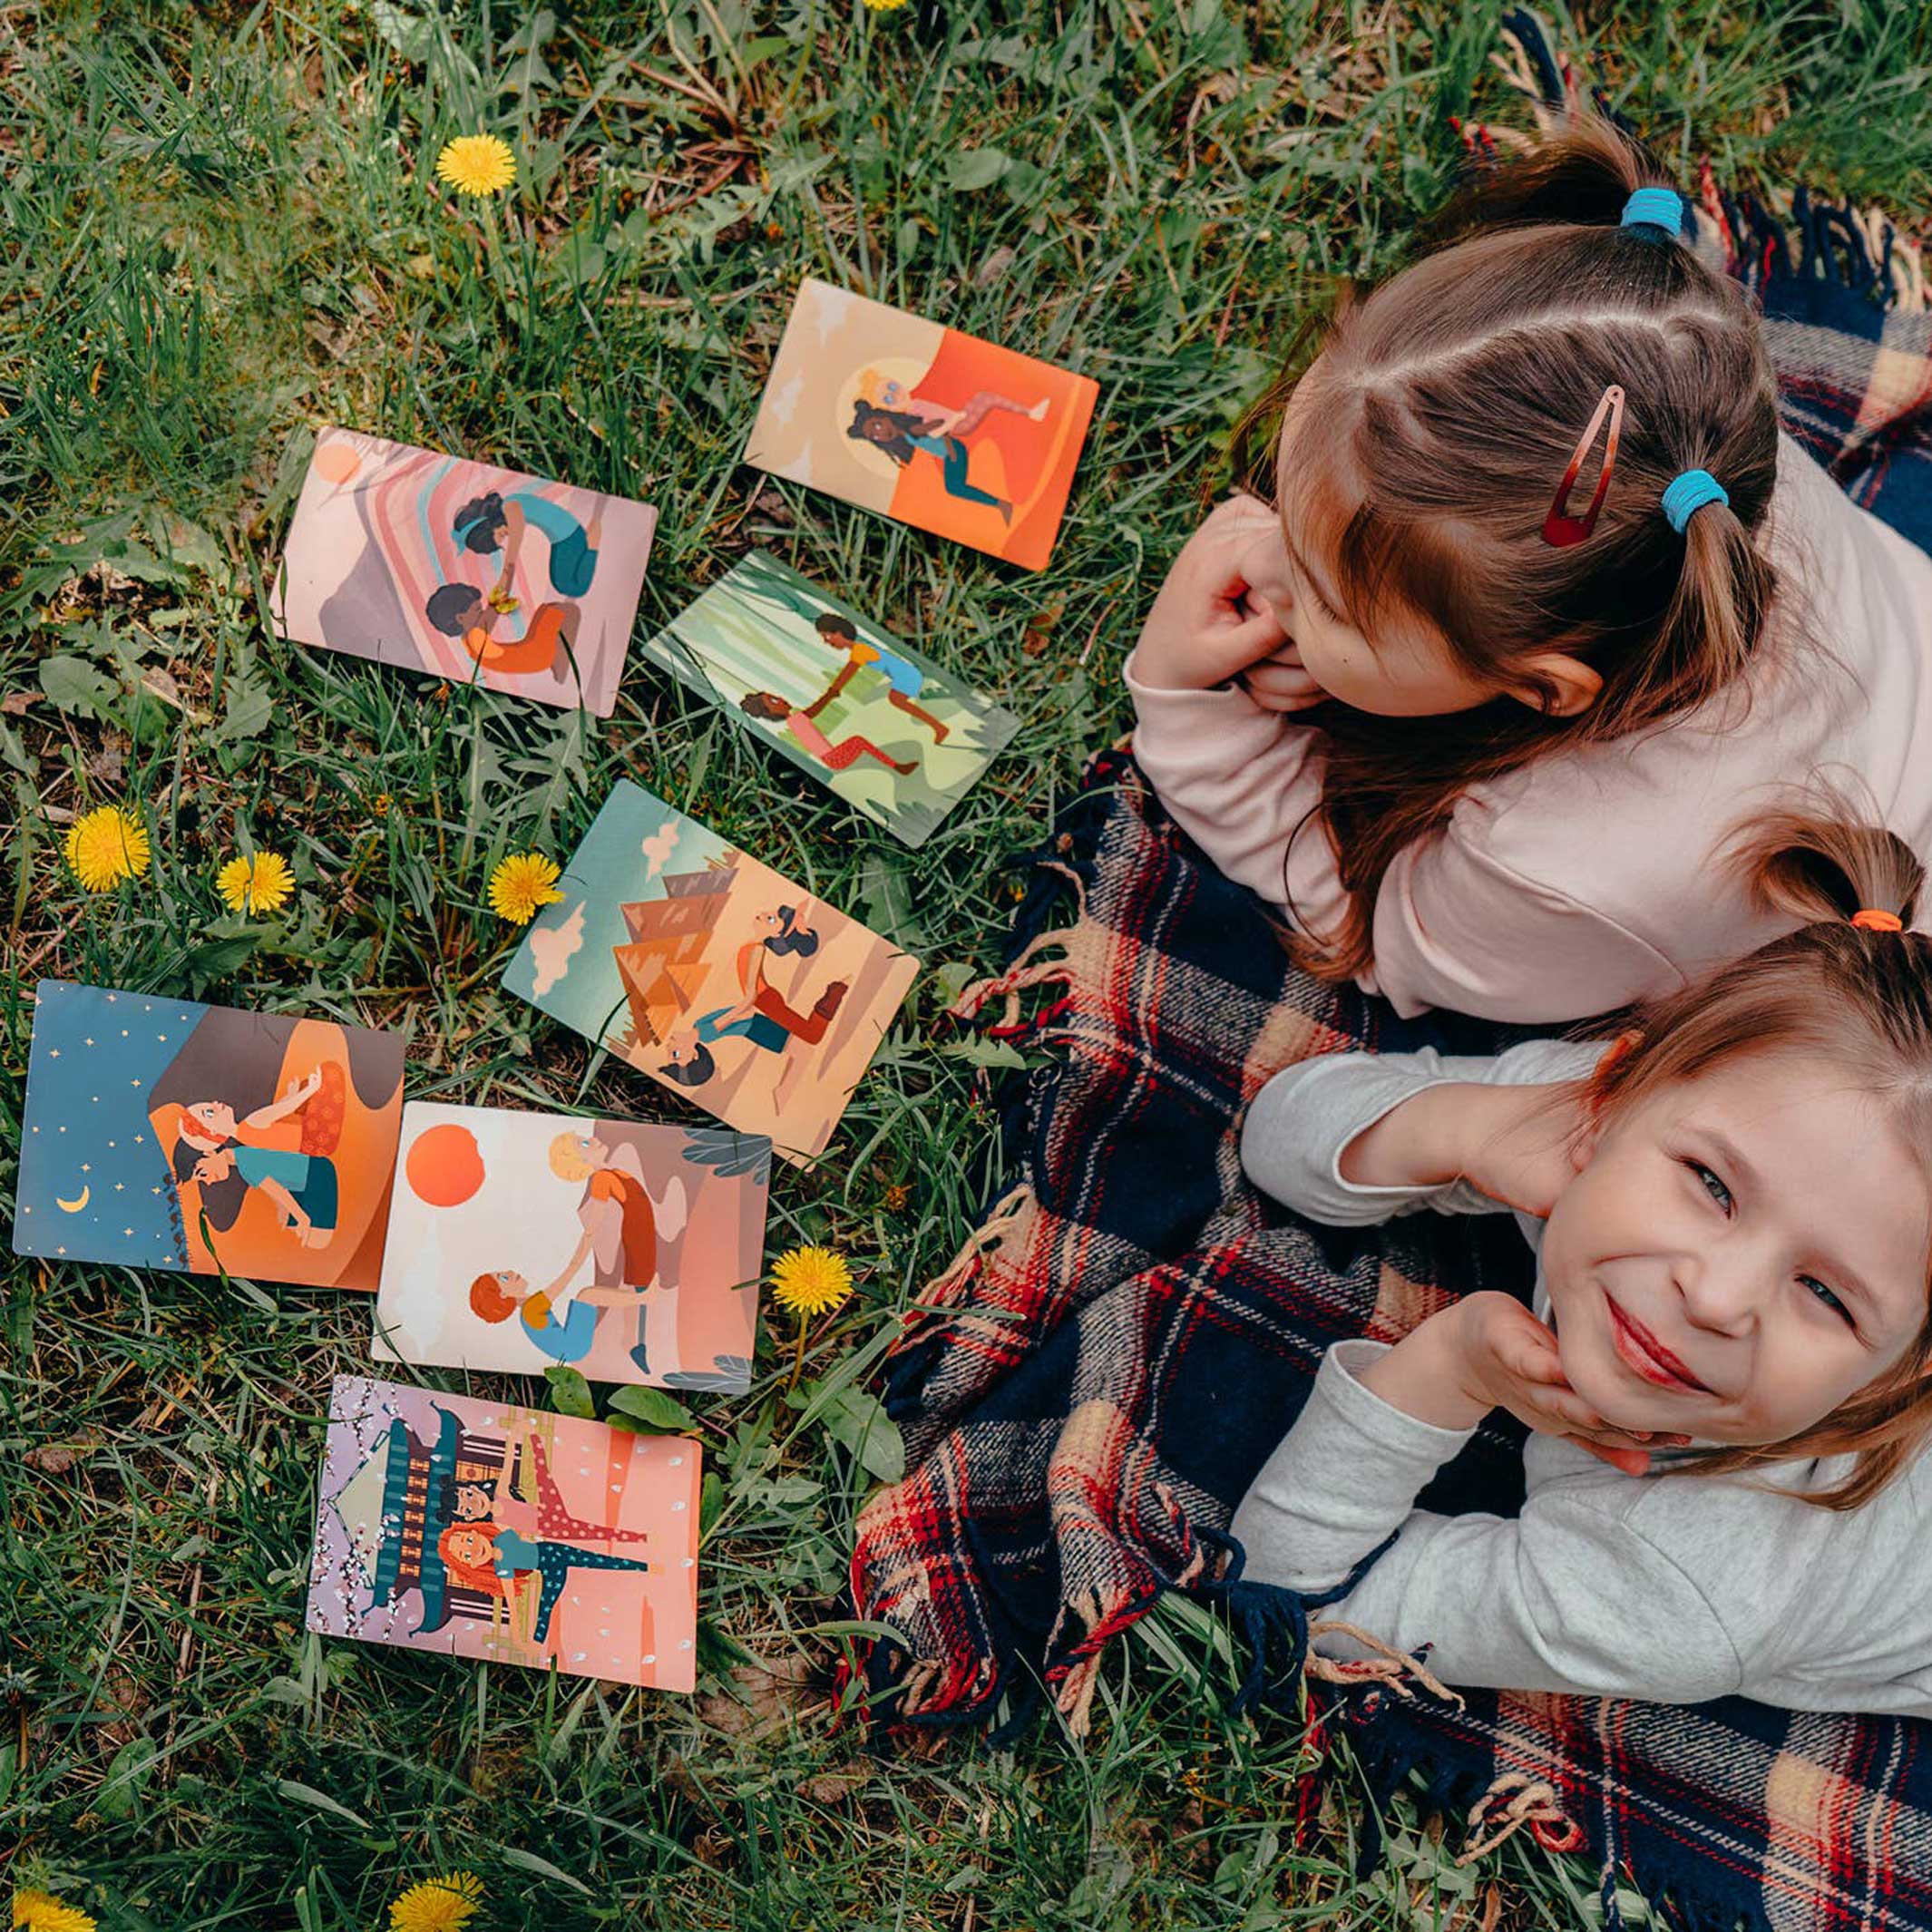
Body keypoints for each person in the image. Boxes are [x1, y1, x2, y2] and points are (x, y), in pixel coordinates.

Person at [1126, 117, 1932, 1023]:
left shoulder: (1557, 872)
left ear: (1545, 689)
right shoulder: (1685, 451)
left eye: (1329, 604)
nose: (1261, 566)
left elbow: (1374, 932)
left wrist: (1188, 709)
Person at [1230, 805, 1932, 1712]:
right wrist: (1465, 1126)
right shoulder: (1619, 1121)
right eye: (1713, 1188)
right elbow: (1281, 1138)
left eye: (1826, 1294)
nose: (1716, 1296)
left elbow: (1292, 1606)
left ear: (1900, 1372)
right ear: (1608, 1098)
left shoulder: (1684, 1591)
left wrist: (1451, 1365)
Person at [845, 388, 1049, 525]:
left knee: (955, 487)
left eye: (877, 425)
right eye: (874, 435)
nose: (879, 433)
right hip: (948, 454)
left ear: (884, 417)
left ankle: (1003, 505)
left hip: (954, 451)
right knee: (954, 488)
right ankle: (1002, 505)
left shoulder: (911, 429)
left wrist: (946, 433)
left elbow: (933, 428)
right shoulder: (906, 436)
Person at [805, 610, 950, 743]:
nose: (826, 641)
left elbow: (848, 672)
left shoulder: (860, 650)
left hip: (907, 675)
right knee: (896, 699)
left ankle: (939, 727)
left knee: (896, 699)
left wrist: (832, 691)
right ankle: (938, 726)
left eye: (827, 636)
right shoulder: (859, 648)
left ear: (839, 632)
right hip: (904, 675)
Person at [450, 488, 603, 599]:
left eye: (500, 534)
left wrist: (505, 579)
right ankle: (590, 541)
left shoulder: (510, 506)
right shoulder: (509, 506)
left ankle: (593, 543)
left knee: (573, 587)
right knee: (563, 585)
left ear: (488, 524)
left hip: (569, 535)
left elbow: (516, 538)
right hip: (561, 536)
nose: (506, 535)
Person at [424, 582, 582, 680]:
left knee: (548, 609)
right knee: (567, 611)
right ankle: (562, 668)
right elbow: (490, 615)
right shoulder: (475, 638)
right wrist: (495, 605)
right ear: (460, 618)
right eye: (477, 609)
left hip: (528, 651)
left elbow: (490, 614)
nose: (481, 612)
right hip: (536, 656)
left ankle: (561, 666)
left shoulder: (468, 640)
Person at [739, 690, 916, 776]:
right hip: (832, 758)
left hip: (831, 757)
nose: (780, 699)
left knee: (859, 741)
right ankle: (898, 767)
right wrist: (829, 696)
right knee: (859, 741)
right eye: (773, 701)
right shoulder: (795, 720)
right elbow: (815, 710)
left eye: (775, 696)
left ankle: (896, 766)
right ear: (770, 712)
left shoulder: (794, 720)